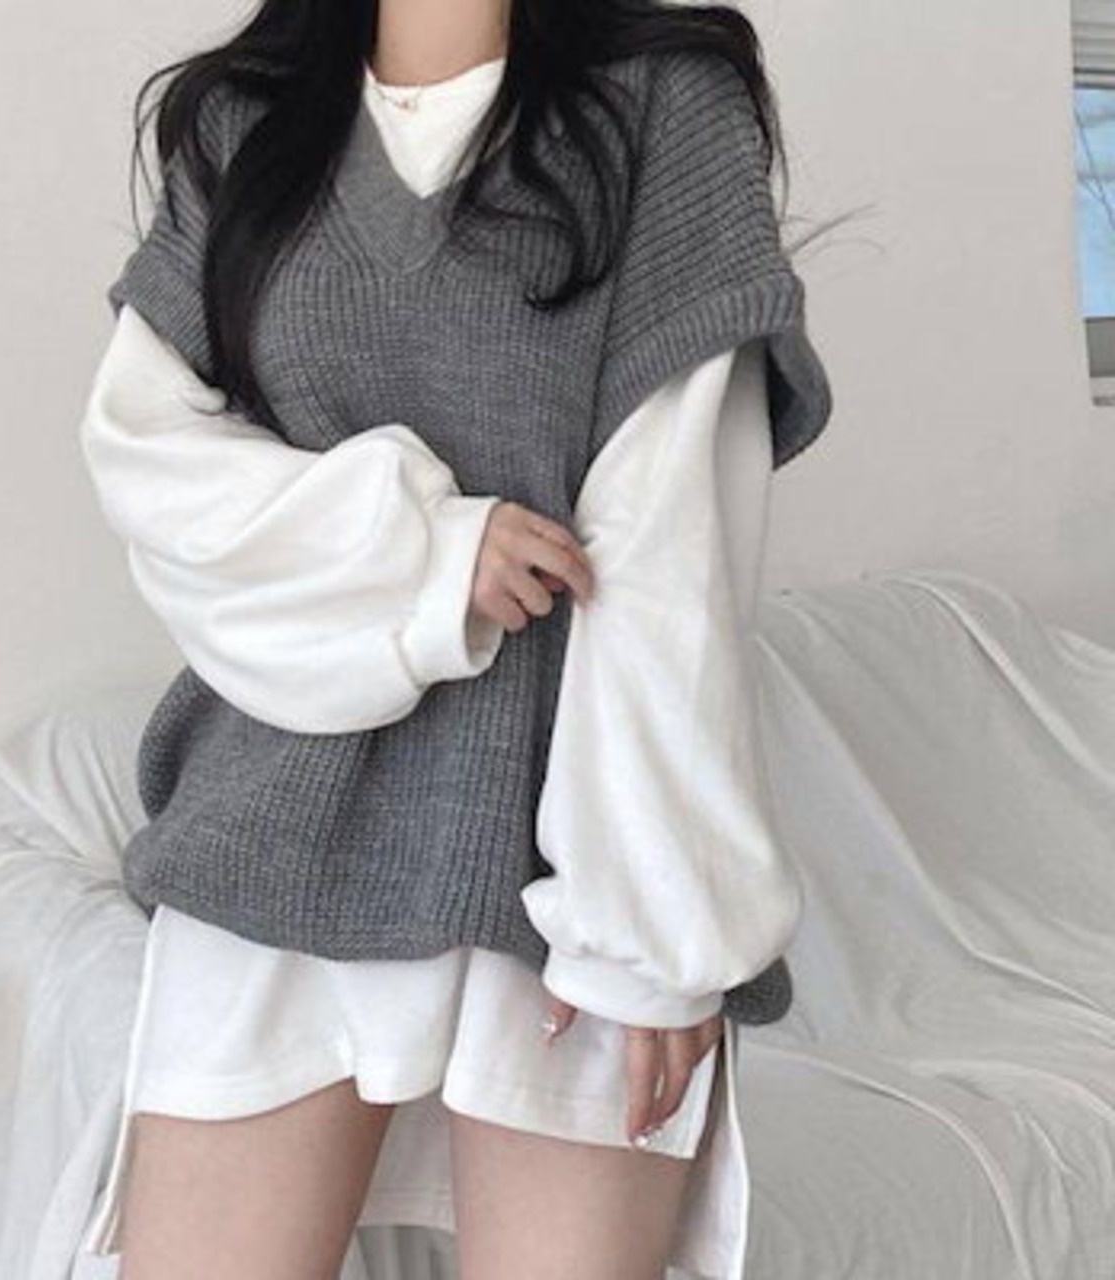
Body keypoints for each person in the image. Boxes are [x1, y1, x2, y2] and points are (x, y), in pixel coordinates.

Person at [78, 3, 834, 1276]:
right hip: (277, 822)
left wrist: (650, 928)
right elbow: (149, 465)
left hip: (564, 848)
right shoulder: (241, 122)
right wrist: (427, 549)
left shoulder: (663, 101)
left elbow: (669, 544)